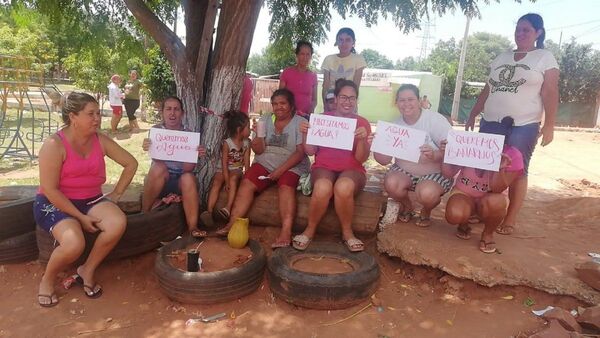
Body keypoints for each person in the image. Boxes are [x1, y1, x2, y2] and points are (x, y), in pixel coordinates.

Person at [34, 92, 138, 307]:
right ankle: (47, 279)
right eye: (91, 114)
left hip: (90, 198)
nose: (97, 119)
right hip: (54, 202)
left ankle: (87, 270)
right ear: (73, 117)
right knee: (74, 243)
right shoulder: (54, 145)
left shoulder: (100, 139)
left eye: (98, 113)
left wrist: (116, 195)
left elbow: (131, 163)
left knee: (117, 222)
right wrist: (80, 218)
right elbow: (51, 190)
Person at [465, 13, 559, 235]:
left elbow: (550, 91)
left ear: (538, 33)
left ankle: (510, 218)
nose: (520, 33)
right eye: (518, 29)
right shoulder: (501, 58)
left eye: (526, 30)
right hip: (491, 122)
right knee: (486, 165)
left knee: (518, 170)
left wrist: (549, 125)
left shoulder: (544, 58)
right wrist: (474, 113)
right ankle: (482, 209)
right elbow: (489, 88)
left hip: (524, 124)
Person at [216, 88, 310, 249]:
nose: (278, 107)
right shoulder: (265, 120)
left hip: (291, 164)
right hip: (265, 162)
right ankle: (231, 224)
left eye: (282, 103)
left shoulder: (300, 122)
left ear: (291, 105)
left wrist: (279, 171)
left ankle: (286, 232)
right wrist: (258, 138)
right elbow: (258, 150)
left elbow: (301, 153)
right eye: (275, 104)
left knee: (286, 186)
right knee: (247, 183)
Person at [293, 79, 371, 252]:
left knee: (343, 187)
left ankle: (347, 232)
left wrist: (362, 141)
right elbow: (311, 151)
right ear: (335, 99)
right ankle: (310, 230)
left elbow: (361, 159)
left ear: (356, 100)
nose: (347, 101)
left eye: (352, 98)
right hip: (324, 168)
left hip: (353, 170)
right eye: (343, 97)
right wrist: (306, 133)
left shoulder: (362, 123)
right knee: (322, 187)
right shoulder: (321, 120)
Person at [373, 84, 453, 228]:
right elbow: (384, 161)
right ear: (396, 103)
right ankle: (407, 206)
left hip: (433, 173)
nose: (406, 104)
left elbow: (452, 148)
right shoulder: (394, 125)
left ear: (419, 101)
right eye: (402, 100)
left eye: (411, 99)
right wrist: (375, 144)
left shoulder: (434, 120)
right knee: (391, 183)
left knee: (427, 194)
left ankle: (426, 210)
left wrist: (434, 155)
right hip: (404, 171)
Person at [442, 117, 524, 253]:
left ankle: (488, 233)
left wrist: (500, 168)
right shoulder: (470, 145)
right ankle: (464, 222)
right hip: (464, 193)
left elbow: (497, 189)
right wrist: (446, 155)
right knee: (454, 214)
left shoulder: (513, 155)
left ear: (504, 142)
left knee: (496, 202)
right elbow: (448, 173)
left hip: (490, 198)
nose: (489, 145)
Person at [141, 96, 207, 238]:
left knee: (188, 177)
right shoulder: (156, 131)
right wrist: (148, 146)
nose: (172, 113)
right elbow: (156, 159)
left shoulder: (189, 135)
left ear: (182, 113)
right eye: (168, 109)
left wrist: (196, 154)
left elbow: (188, 168)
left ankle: (193, 227)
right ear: (162, 112)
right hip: (160, 179)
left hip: (180, 181)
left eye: (176, 109)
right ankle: (144, 215)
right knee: (158, 167)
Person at [202, 110, 251, 228]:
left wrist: (246, 177)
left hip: (237, 169)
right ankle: (208, 212)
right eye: (248, 127)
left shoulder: (247, 143)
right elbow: (224, 163)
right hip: (223, 168)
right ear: (239, 130)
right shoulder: (227, 143)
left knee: (234, 179)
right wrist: (226, 179)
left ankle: (228, 208)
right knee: (217, 182)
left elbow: (247, 161)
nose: (250, 130)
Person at [321, 27, 367, 103]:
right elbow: (325, 86)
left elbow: (356, 87)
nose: (344, 43)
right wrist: (325, 106)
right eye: (341, 40)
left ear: (353, 42)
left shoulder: (358, 59)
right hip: (331, 101)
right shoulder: (328, 59)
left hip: (348, 102)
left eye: (348, 40)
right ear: (336, 42)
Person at [279, 41, 318, 117]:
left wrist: (310, 112)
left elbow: (314, 100)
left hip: (305, 117)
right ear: (296, 55)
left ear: (311, 56)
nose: (305, 57)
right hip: (288, 116)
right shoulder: (286, 72)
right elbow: (280, 96)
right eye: (302, 54)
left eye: (308, 54)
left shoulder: (313, 75)